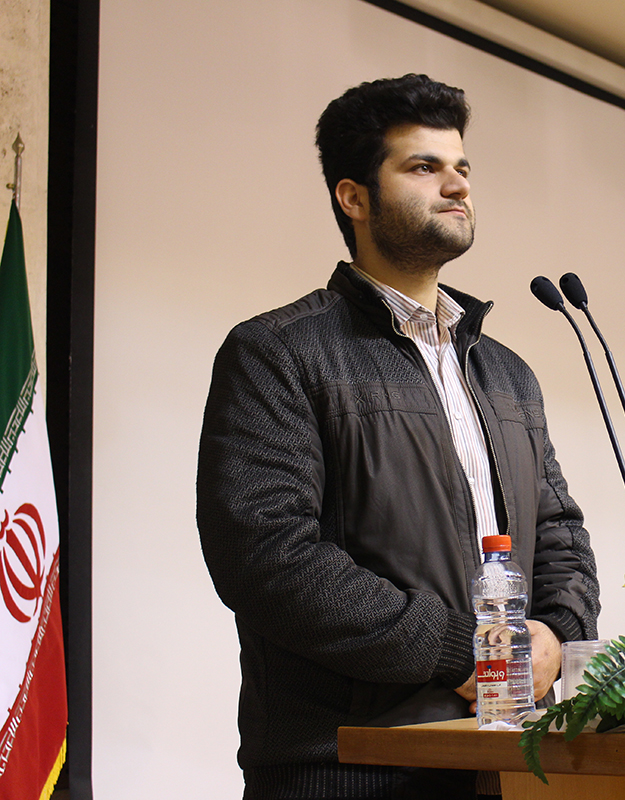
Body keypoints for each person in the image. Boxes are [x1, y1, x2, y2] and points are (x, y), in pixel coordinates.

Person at [197, 75, 600, 800]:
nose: (457, 185)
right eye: (423, 167)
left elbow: (560, 534)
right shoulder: (278, 352)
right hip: (346, 763)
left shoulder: (507, 372)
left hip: (508, 754)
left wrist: (554, 633)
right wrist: (460, 652)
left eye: (462, 167)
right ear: (353, 198)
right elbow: (265, 557)